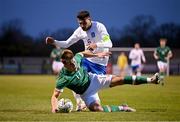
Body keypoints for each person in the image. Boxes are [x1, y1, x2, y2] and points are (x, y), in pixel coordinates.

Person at [51, 49, 161, 113]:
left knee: (120, 80)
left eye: (74, 62)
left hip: (94, 80)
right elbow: (54, 96)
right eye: (71, 63)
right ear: (64, 63)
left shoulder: (76, 59)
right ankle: (123, 107)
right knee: (97, 109)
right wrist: (54, 108)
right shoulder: (62, 78)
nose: (74, 64)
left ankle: (151, 80)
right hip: (86, 94)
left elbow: (82, 53)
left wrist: (96, 54)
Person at [46, 10, 112, 111]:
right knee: (74, 76)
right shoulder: (79, 31)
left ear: (89, 19)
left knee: (94, 99)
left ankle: (91, 102)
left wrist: (96, 45)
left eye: (84, 23)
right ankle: (79, 103)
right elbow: (67, 43)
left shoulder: (99, 26)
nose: (82, 25)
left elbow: (109, 43)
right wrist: (54, 42)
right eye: (80, 23)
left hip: (100, 63)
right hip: (87, 59)